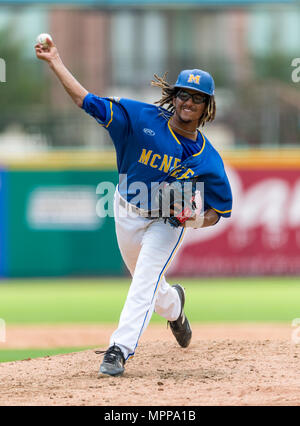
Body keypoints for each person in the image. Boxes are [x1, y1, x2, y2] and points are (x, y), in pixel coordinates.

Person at [35, 37, 232, 378]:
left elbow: (221, 211)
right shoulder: (139, 116)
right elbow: (86, 101)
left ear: (207, 108)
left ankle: (118, 350)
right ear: (174, 97)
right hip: (126, 210)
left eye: (197, 98)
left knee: (144, 279)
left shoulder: (208, 160)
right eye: (184, 94)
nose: (188, 101)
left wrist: (195, 219)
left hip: (167, 225)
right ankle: (176, 308)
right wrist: (55, 62)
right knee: (154, 289)